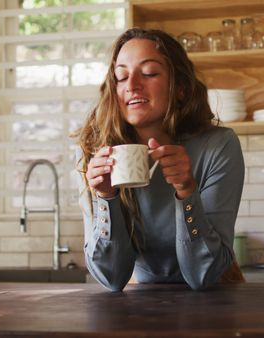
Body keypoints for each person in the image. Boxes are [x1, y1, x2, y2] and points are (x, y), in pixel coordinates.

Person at [77, 27, 245, 291]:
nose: (131, 85)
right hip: (143, 299)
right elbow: (111, 278)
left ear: (179, 88)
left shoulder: (218, 146)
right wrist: (106, 198)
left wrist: (187, 191)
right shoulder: (94, 150)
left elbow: (204, 274)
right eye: (121, 76)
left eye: (149, 73)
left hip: (216, 294)